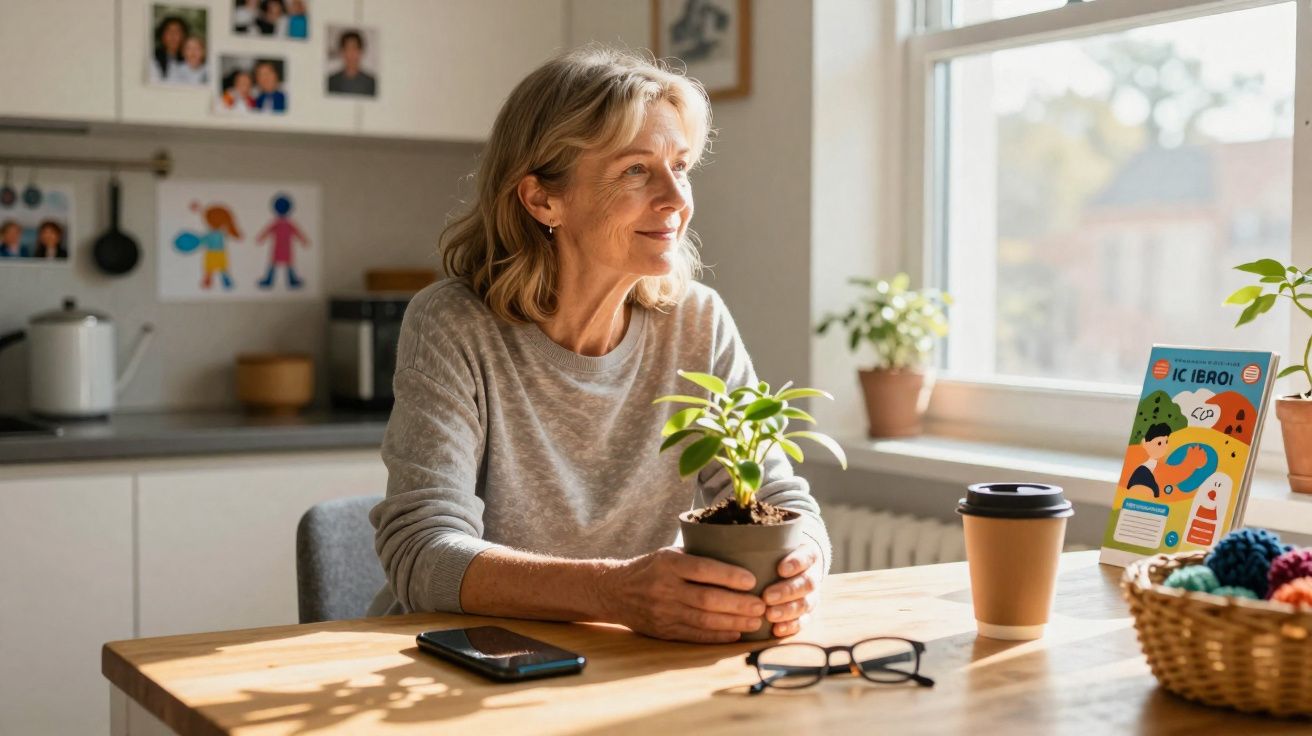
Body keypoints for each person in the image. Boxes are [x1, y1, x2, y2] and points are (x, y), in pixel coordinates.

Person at [367, 47, 831, 644]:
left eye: (681, 167)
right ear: (541, 200)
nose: (675, 198)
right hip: (465, 659)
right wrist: (614, 592)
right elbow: (420, 550)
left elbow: (779, 498)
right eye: (636, 170)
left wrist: (804, 566)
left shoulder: (697, 321)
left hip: (622, 656)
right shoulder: (454, 324)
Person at [325, 30, 376, 97]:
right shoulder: (331, 81)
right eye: (347, 49)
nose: (351, 54)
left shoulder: (371, 82)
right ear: (341, 52)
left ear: (361, 52)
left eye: (354, 48)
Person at [149, 15, 188, 84]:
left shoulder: (189, 59)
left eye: (177, 31)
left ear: (183, 36)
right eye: (169, 31)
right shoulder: (152, 57)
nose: (173, 36)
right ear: (162, 35)